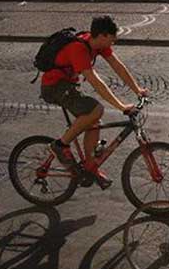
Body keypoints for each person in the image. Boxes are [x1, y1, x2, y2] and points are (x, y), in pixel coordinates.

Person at [42, 15, 148, 189]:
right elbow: (96, 81)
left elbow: (117, 65)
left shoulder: (97, 44)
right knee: (96, 109)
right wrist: (121, 106)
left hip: (68, 84)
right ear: (102, 36)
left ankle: (90, 167)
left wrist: (137, 90)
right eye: (112, 40)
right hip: (54, 87)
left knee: (94, 120)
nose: (113, 44)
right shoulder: (78, 49)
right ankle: (60, 145)